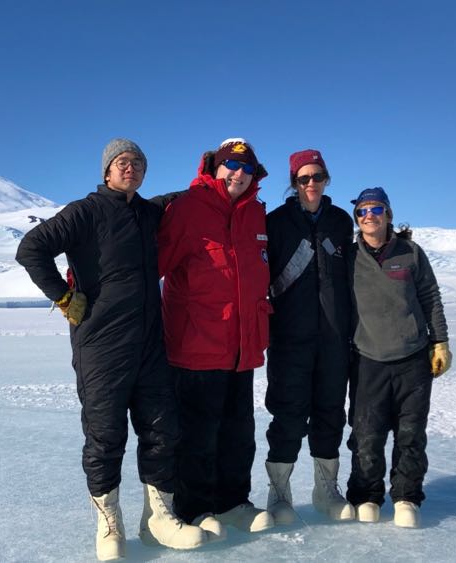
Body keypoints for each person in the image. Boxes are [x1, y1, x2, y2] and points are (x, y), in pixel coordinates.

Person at [15, 139, 204, 560]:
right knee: (105, 436)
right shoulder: (85, 211)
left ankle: (158, 518)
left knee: (162, 430)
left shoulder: (148, 213)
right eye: (123, 162)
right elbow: (30, 248)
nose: (131, 168)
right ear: (106, 171)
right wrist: (63, 298)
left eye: (138, 162)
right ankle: (109, 522)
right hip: (101, 346)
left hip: (150, 345)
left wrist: (207, 180)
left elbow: (180, 199)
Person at [157, 138, 274, 540]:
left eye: (246, 167)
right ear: (214, 167)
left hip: (242, 347)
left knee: (239, 431)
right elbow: (149, 262)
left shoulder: (256, 214)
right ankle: (196, 509)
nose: (238, 173)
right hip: (196, 347)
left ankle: (234, 502)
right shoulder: (187, 208)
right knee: (198, 436)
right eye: (230, 165)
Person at [345, 187, 452, 528]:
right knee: (366, 434)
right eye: (362, 211)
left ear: (388, 214)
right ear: (357, 218)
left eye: (376, 209)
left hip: (412, 358)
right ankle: (366, 495)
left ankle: (406, 497)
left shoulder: (411, 252)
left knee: (410, 433)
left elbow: (430, 297)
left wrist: (440, 341)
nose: (369, 216)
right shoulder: (348, 257)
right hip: (367, 358)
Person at [263, 149, 355, 524]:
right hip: (289, 337)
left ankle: (325, 490)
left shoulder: (340, 221)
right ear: (294, 183)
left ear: (326, 179)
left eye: (317, 176)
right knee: (287, 415)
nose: (312, 184)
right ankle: (279, 494)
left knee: (331, 412)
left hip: (335, 337)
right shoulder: (276, 222)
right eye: (304, 179)